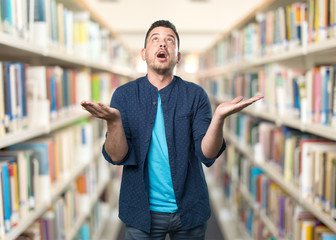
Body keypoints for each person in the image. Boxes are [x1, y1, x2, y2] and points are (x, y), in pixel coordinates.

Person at [81, 20, 263, 240]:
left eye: (170, 41)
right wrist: (115, 122)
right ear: (144, 53)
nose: (162, 45)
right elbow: (116, 156)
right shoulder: (124, 95)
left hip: (189, 209)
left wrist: (218, 119)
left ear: (178, 56)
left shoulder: (196, 95)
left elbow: (207, 154)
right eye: (155, 39)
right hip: (140, 211)